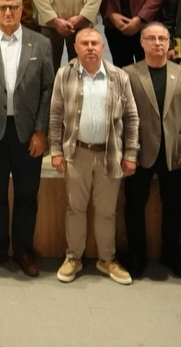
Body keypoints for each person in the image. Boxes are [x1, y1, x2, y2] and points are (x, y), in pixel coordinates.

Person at [0, 0, 54, 277]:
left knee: (27, 196)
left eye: (13, 7)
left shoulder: (41, 44)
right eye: (3, 7)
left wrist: (41, 130)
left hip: (28, 134)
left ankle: (23, 250)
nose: (8, 12)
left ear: (22, 10)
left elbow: (48, 89)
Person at [50, 28, 139, 286]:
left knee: (107, 211)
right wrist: (56, 151)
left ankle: (107, 259)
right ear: (75, 47)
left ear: (102, 47)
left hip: (110, 154)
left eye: (95, 43)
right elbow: (55, 114)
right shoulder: (64, 74)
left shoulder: (119, 76)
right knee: (75, 209)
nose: (90, 47)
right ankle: (73, 257)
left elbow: (131, 117)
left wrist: (130, 153)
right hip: (76, 153)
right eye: (85, 43)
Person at [121, 21, 181, 279]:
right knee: (134, 207)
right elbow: (120, 116)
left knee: (174, 207)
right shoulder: (128, 74)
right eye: (151, 38)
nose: (157, 43)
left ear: (169, 43)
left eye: (162, 39)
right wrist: (127, 152)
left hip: (174, 153)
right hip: (139, 152)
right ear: (142, 43)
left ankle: (170, 254)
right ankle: (136, 256)